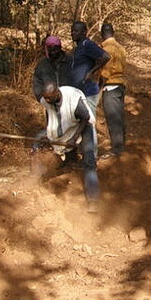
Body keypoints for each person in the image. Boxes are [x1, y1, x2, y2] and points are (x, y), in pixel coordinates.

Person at [39, 83, 101, 213]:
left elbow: (85, 118)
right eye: (46, 98)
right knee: (65, 151)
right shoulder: (47, 100)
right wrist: (48, 133)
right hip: (68, 124)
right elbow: (49, 115)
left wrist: (74, 139)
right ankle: (70, 164)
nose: (48, 100)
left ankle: (93, 199)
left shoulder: (72, 99)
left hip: (84, 124)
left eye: (50, 98)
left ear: (57, 93)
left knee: (89, 160)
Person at [99, 22, 126, 157]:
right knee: (119, 116)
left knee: (113, 118)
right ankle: (121, 144)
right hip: (120, 85)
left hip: (110, 86)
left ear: (102, 34)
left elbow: (106, 71)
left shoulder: (107, 49)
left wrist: (99, 86)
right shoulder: (120, 48)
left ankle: (117, 148)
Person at [70, 21, 109, 110]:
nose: (72, 33)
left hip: (88, 92)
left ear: (84, 32)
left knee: (89, 120)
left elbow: (105, 56)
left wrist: (91, 71)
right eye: (72, 31)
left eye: (76, 31)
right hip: (79, 92)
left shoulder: (87, 44)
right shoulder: (78, 47)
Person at [31, 35, 72, 101]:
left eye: (55, 50)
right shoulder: (42, 64)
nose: (53, 53)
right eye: (50, 50)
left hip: (69, 100)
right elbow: (37, 81)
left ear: (60, 48)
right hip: (49, 101)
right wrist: (41, 98)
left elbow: (77, 78)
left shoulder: (70, 60)